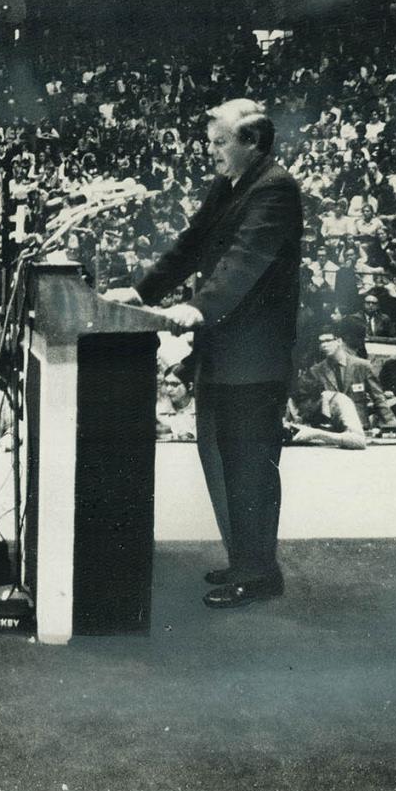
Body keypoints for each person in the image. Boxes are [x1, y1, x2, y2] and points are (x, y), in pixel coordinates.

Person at [105, 98, 303, 609]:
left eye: (220, 143)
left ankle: (259, 573)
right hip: (224, 351)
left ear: (252, 141)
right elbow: (191, 245)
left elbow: (244, 262)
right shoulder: (232, 184)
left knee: (250, 466)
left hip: (254, 359)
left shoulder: (275, 189)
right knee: (221, 458)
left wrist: (197, 307)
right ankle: (246, 561)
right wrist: (144, 292)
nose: (210, 151)